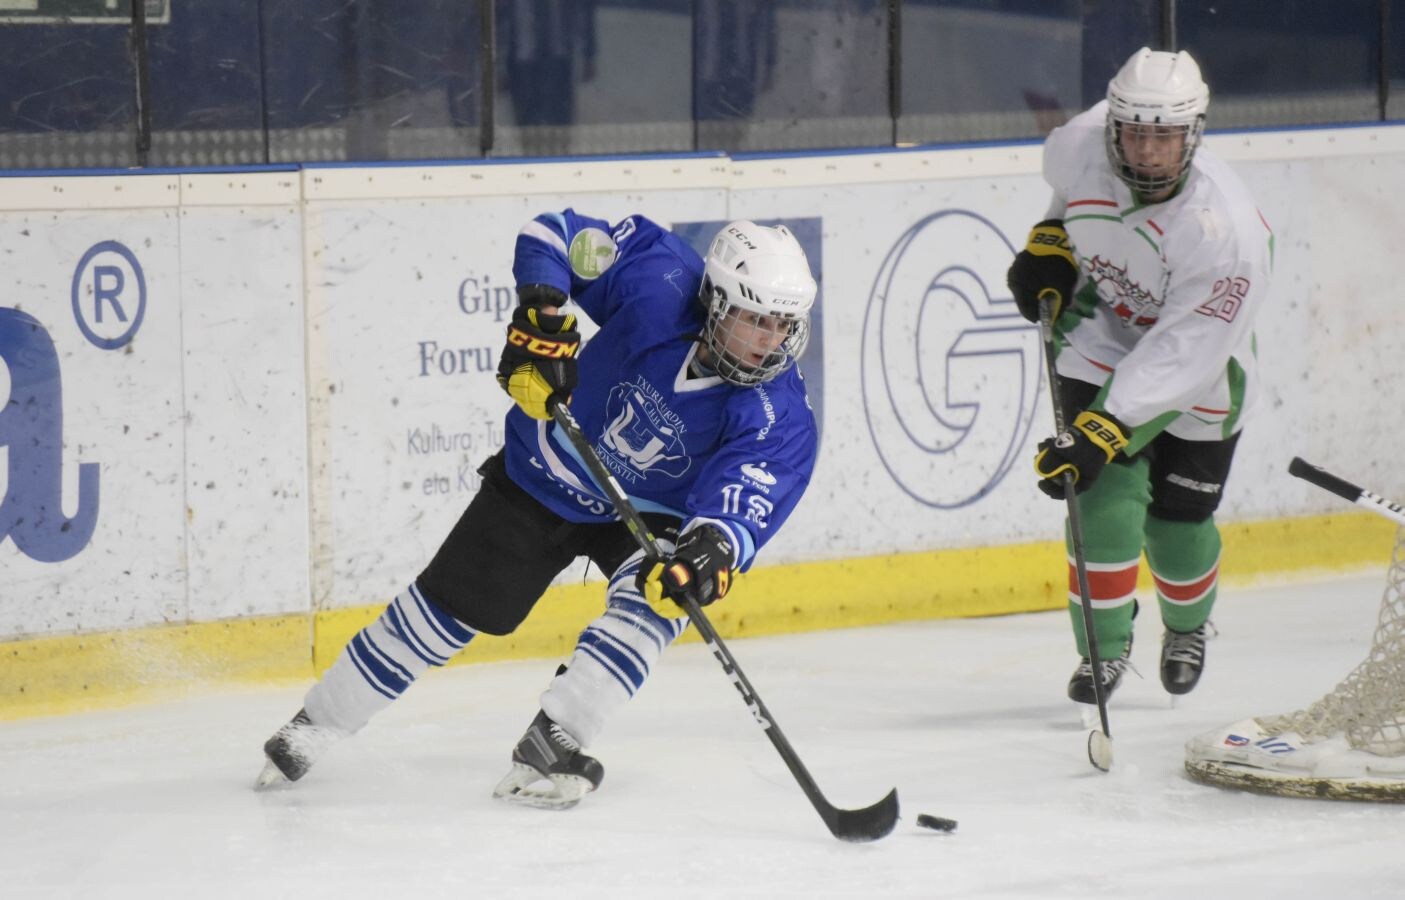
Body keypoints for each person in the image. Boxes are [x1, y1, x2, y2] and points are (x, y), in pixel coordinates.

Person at [255, 212, 820, 809]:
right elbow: (555, 233)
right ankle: (311, 728)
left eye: (782, 324)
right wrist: (542, 313)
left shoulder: (778, 414)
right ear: (714, 301)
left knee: (662, 593)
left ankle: (555, 738)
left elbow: (743, 499)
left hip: (646, 512)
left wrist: (712, 549)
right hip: (545, 474)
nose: (769, 339)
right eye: (755, 319)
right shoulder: (660, 277)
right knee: (440, 618)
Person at [1005, 47, 1272, 706]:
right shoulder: (1078, 145)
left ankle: (1184, 627)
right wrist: (1050, 241)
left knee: (1178, 524)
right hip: (1097, 340)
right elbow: (1067, 200)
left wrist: (1105, 426)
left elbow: (1186, 352)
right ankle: (1101, 649)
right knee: (1097, 502)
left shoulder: (1225, 232)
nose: (1148, 149)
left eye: (1165, 135)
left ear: (1193, 132)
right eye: (1135, 131)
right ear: (1113, 124)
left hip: (1202, 372)